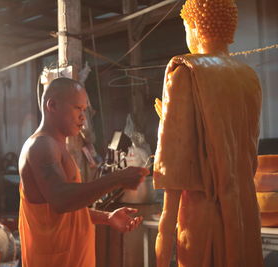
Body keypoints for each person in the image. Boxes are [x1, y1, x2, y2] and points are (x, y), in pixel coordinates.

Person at [153, 0, 263, 266]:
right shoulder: (249, 77)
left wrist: (165, 234)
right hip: (246, 214)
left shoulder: (187, 71)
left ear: (193, 26)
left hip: (205, 218)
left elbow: (173, 167)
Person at [18, 77, 149, 267]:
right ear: (52, 105)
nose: (83, 117)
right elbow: (61, 199)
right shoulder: (41, 145)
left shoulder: (57, 146)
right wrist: (118, 178)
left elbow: (64, 212)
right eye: (77, 108)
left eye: (84, 110)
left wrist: (107, 217)